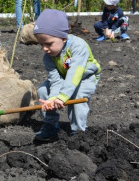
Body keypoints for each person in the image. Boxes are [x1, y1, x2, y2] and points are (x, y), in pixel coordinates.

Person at [32, 9, 101, 141]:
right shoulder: (48, 57)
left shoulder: (78, 46)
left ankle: (79, 132)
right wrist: (53, 98)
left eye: (48, 44)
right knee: (42, 91)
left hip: (85, 77)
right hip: (65, 77)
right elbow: (55, 80)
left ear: (63, 38)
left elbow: (75, 73)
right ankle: (50, 125)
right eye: (41, 44)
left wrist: (63, 97)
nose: (44, 49)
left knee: (77, 95)